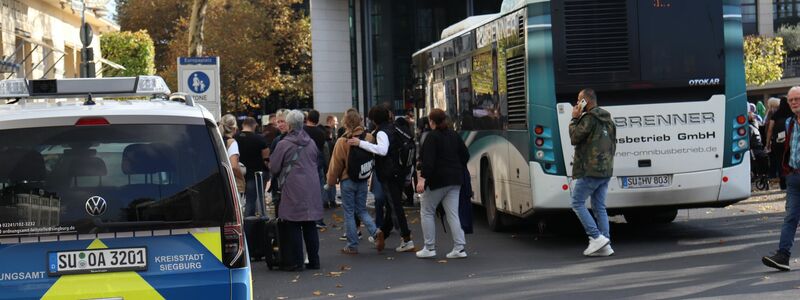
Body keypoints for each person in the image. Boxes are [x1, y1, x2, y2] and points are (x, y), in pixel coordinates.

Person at [349, 105, 415, 253]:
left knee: (395, 206)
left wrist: (361, 143)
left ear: (374, 120)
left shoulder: (382, 132)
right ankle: (382, 234)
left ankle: (406, 239)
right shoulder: (395, 128)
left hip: (389, 173)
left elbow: (382, 150)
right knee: (392, 205)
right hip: (400, 171)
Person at [269, 110, 324, 271]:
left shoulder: (283, 144)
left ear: (290, 125)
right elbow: (316, 160)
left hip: (292, 188)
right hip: (311, 188)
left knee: (293, 224)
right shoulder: (311, 142)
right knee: (310, 224)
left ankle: (297, 262)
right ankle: (314, 261)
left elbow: (274, 167)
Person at [414, 108, 470, 259]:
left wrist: (423, 179)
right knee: (453, 213)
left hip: (437, 181)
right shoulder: (454, 135)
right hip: (455, 179)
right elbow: (465, 155)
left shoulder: (432, 138)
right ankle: (459, 247)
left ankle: (429, 247)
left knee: (427, 210)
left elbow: (428, 162)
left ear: (431, 122)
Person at [568, 88, 616, 257]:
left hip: (591, 169)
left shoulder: (588, 119)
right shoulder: (608, 119)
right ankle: (606, 244)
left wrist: (574, 118)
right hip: (606, 170)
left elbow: (575, 138)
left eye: (579, 100)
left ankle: (596, 237)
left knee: (577, 202)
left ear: (585, 102)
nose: (577, 104)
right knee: (599, 206)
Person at [326, 110, 382, 254]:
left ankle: (352, 245)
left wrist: (330, 182)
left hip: (347, 180)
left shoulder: (342, 141)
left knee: (349, 212)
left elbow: (336, 165)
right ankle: (375, 232)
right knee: (362, 210)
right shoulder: (369, 137)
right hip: (363, 178)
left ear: (345, 122)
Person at [761, 86, 800, 271]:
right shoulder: (789, 123)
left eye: (797, 99)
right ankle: (783, 256)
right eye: (791, 100)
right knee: (790, 217)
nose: (793, 102)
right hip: (793, 176)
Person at [236, 117, 269, 217]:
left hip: (237, 174)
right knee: (251, 200)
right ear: (254, 125)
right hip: (253, 175)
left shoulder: (235, 138)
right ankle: (249, 224)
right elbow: (266, 157)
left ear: (243, 125)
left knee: (237, 201)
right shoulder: (259, 139)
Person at [304, 110, 329, 228]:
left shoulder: (302, 131)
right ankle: (319, 219)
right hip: (317, 162)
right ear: (317, 120)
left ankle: (307, 218)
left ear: (307, 118)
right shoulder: (321, 133)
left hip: (304, 163)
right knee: (319, 191)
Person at [220, 114, 246, 208]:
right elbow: (234, 166)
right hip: (231, 184)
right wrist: (242, 179)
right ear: (235, 128)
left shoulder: (217, 140)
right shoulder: (232, 142)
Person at [767, 97, 792, 190]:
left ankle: (783, 184)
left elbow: (770, 130)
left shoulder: (775, 115)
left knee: (780, 162)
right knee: (791, 161)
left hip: (778, 143)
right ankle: (791, 182)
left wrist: (767, 143)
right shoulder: (792, 114)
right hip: (790, 142)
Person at [267, 109, 290, 207]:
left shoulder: (299, 138)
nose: (280, 125)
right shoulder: (277, 140)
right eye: (278, 122)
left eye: (282, 121)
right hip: (278, 183)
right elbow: (271, 161)